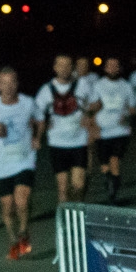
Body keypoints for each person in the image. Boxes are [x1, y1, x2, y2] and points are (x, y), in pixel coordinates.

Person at [0, 65, 39, 257]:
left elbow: (40, 119)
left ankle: (24, 232)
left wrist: (37, 137)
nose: (8, 87)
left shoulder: (28, 103)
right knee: (7, 206)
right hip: (2, 164)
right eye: (4, 83)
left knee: (22, 201)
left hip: (25, 159)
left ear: (17, 84)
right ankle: (13, 240)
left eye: (12, 82)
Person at [36, 54, 92, 203]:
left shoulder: (83, 85)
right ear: (55, 68)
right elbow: (36, 113)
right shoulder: (46, 90)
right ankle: (66, 217)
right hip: (57, 143)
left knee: (79, 186)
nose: (64, 69)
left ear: (72, 68)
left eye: (68, 65)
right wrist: (42, 126)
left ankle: (77, 212)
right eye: (61, 65)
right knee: (62, 189)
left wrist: (88, 115)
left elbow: (96, 103)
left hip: (79, 141)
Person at [91, 56, 135, 201]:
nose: (112, 68)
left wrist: (127, 116)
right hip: (103, 130)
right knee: (104, 165)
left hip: (120, 131)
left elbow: (132, 108)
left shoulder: (126, 86)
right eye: (110, 66)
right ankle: (109, 179)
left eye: (115, 66)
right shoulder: (98, 85)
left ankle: (113, 191)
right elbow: (92, 108)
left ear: (120, 68)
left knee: (115, 160)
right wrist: (93, 127)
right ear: (105, 68)